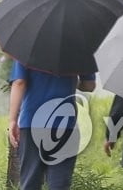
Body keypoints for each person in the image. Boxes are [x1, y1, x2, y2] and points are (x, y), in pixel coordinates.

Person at [8, 61, 96, 190]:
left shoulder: (27, 47)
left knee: (30, 182)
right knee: (59, 184)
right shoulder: (79, 48)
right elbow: (89, 85)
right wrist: (71, 81)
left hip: (33, 122)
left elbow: (19, 83)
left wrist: (12, 120)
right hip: (65, 124)